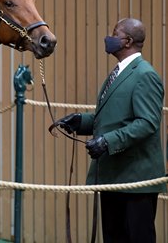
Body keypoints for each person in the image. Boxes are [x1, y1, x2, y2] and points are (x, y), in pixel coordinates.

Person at [56, 18, 167, 243]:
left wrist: (107, 142)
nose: (109, 38)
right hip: (114, 175)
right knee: (114, 237)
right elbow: (113, 118)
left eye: (114, 34)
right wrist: (82, 122)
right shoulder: (119, 73)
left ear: (126, 41)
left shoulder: (145, 75)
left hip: (135, 179)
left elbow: (147, 123)